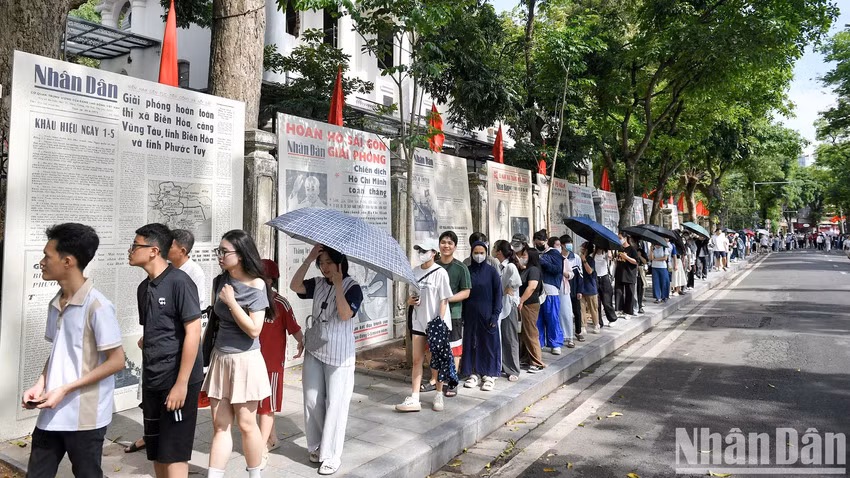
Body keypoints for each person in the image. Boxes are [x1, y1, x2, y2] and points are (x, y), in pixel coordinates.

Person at [23, 223, 124, 478]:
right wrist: (40, 383)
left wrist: (65, 389)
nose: (42, 262)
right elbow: (59, 352)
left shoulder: (98, 306)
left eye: (47, 255)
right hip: (50, 412)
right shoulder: (56, 303)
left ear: (67, 261)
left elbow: (117, 361)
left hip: (85, 418)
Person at [130, 224, 203, 478]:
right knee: (158, 452)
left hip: (177, 380)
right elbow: (157, 327)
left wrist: (181, 384)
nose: (130, 250)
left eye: (135, 245)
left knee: (174, 455)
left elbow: (194, 332)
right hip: (153, 378)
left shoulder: (180, 282)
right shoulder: (143, 288)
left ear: (153, 250)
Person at [203, 230, 272, 478]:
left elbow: (254, 330)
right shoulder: (219, 281)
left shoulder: (257, 285)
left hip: (245, 361)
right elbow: (215, 322)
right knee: (220, 426)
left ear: (241, 255)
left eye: (224, 251)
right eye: (218, 251)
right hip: (221, 358)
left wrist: (232, 303)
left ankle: (254, 474)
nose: (219, 256)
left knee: (246, 424)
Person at [290, 244, 363, 475]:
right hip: (315, 350)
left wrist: (339, 284)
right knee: (312, 400)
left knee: (336, 405)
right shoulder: (318, 283)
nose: (324, 268)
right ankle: (318, 445)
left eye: (329, 263)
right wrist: (309, 258)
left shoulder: (353, 288)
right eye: (321, 264)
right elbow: (295, 286)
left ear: (340, 263)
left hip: (339, 356)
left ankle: (332, 455)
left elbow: (344, 314)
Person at [396, 238, 453, 412]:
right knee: (417, 360)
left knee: (436, 360)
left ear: (434, 253)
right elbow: (410, 296)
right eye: (419, 250)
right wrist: (410, 301)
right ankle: (414, 397)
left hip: (435, 323)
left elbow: (444, 299)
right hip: (418, 322)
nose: (421, 253)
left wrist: (440, 322)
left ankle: (438, 394)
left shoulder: (440, 272)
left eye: (425, 250)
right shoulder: (414, 271)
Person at [257, 259, 304, 469]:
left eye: (262, 277)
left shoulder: (281, 303)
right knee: (259, 405)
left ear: (270, 279)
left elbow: (293, 328)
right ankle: (272, 439)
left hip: (272, 364)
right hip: (251, 363)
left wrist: (302, 342)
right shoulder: (250, 301)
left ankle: (260, 450)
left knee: (267, 406)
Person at [460, 242, 502, 391]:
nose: (478, 255)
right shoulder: (467, 271)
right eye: (476, 252)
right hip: (471, 315)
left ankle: (490, 375)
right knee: (472, 343)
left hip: (488, 314)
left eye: (481, 252)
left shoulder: (492, 272)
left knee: (489, 344)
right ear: (471, 253)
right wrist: (463, 314)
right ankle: (474, 373)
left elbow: (498, 294)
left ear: (486, 254)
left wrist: (495, 315)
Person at [436, 231, 472, 397]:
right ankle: (436, 381)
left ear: (455, 247)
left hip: (454, 314)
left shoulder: (461, 268)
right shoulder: (433, 266)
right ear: (439, 245)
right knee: (435, 348)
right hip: (435, 315)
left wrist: (447, 299)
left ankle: (452, 381)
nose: (446, 246)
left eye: (450, 243)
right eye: (443, 242)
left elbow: (466, 292)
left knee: (454, 349)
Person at [493, 240, 522, 380]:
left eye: (494, 248)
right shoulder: (498, 267)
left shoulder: (510, 267)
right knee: (502, 337)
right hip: (501, 306)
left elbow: (514, 286)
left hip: (509, 306)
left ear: (499, 251)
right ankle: (504, 365)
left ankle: (513, 370)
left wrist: (503, 291)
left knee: (510, 338)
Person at [533, 230, 565, 353]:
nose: (538, 245)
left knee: (552, 318)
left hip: (551, 290)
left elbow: (557, 269)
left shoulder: (554, 254)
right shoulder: (535, 253)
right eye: (536, 243)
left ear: (546, 241)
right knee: (538, 319)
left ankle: (555, 343)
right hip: (537, 290)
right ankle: (539, 342)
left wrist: (543, 261)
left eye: (540, 243)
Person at [516, 245, 545, 372]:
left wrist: (521, 300)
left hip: (530, 304)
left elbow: (532, 287)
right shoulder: (527, 269)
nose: (522, 257)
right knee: (525, 333)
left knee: (531, 332)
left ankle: (537, 362)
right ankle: (526, 358)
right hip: (526, 304)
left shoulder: (533, 270)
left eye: (524, 255)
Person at [168, 229, 208, 309]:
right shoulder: (166, 268)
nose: (165, 249)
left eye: (170, 247)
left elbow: (197, 304)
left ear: (182, 251)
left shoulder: (195, 272)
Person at [560, 235, 584, 343]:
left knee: (576, 311)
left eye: (570, 243)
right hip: (562, 289)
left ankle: (578, 332)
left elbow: (580, 275)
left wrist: (580, 290)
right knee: (565, 313)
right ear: (562, 245)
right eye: (567, 244)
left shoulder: (576, 258)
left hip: (574, 288)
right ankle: (564, 333)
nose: (569, 245)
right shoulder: (559, 257)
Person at [577, 242, 600, 334]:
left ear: (586, 250)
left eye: (582, 248)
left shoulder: (590, 260)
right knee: (581, 308)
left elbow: (590, 271)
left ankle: (596, 324)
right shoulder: (577, 259)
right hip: (581, 288)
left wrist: (584, 260)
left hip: (590, 288)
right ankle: (583, 326)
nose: (581, 249)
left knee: (593, 308)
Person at [614, 233, 639, 317]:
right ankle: (619, 309)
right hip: (619, 273)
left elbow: (636, 261)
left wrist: (627, 257)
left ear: (625, 238)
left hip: (629, 274)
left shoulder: (632, 249)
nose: (619, 239)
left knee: (629, 293)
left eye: (620, 238)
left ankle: (628, 312)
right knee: (618, 292)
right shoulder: (618, 248)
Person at [594, 244, 619, 327]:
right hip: (595, 278)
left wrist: (609, 249)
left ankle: (612, 319)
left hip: (605, 278)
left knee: (607, 301)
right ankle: (598, 322)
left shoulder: (606, 255)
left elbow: (610, 257)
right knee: (596, 302)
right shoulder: (592, 255)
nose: (600, 249)